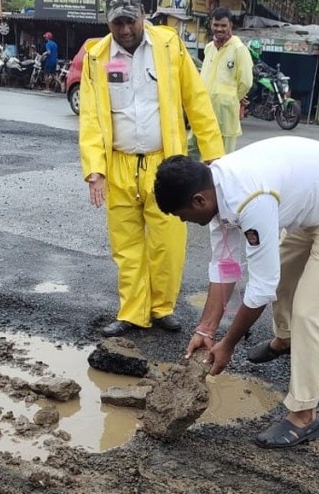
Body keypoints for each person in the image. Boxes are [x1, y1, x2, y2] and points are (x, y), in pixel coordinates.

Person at [152, 136, 319, 448]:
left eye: (182, 215)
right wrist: (206, 329)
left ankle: (304, 417)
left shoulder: (250, 200)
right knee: (284, 279)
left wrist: (227, 344)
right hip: (314, 209)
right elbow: (225, 266)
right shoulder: (214, 192)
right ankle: (286, 340)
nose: (184, 221)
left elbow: (260, 289)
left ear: (199, 201)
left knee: (309, 312)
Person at [79, 0, 224, 337]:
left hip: (163, 160)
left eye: (131, 21)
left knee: (167, 240)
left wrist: (212, 154)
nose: (126, 30)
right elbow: (90, 117)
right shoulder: (96, 56)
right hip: (119, 163)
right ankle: (132, 312)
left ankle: (162, 308)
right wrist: (95, 170)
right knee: (126, 244)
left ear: (143, 16)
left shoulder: (169, 45)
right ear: (108, 23)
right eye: (118, 24)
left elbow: (196, 99)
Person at [188, 7, 252, 156]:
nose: (219, 29)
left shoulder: (239, 49)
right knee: (191, 151)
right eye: (216, 25)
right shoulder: (209, 48)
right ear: (211, 24)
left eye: (223, 25)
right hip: (204, 111)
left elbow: (246, 82)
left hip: (226, 114)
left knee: (222, 160)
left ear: (230, 25)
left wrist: (230, 97)